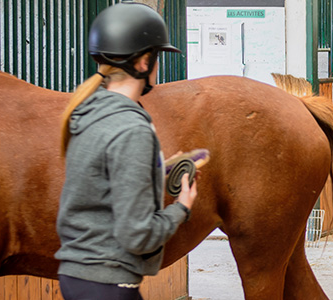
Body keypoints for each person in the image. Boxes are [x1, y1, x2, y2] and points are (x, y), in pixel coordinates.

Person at [55, 3, 196, 300]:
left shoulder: (87, 114)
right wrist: (181, 208)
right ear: (144, 62)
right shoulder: (132, 130)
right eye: (156, 57)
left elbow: (99, 188)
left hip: (76, 277)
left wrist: (155, 172)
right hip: (109, 284)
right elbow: (138, 234)